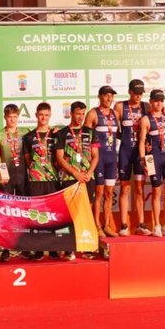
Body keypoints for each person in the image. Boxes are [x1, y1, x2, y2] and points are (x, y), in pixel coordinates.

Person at [56, 101, 99, 260]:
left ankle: (87, 247)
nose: (80, 117)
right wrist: (75, 173)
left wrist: (88, 173)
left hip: (88, 178)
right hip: (69, 178)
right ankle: (69, 248)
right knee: (70, 213)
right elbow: (60, 158)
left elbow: (95, 156)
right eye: (77, 114)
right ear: (71, 114)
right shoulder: (61, 134)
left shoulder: (91, 132)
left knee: (86, 211)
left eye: (82, 114)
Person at [23, 102, 60, 260]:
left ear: (50, 116)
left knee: (52, 213)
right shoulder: (29, 137)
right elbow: (27, 159)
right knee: (37, 214)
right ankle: (38, 249)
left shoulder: (56, 135)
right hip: (35, 179)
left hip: (52, 178)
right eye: (41, 115)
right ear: (36, 115)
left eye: (46, 115)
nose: (43, 118)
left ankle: (53, 248)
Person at [114, 79, 151, 236]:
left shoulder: (147, 106)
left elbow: (156, 124)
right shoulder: (120, 106)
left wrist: (149, 144)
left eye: (141, 93)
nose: (138, 96)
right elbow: (113, 129)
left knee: (140, 189)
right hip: (126, 151)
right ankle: (123, 225)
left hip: (141, 152)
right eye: (135, 92)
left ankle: (141, 223)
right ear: (129, 91)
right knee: (125, 187)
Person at [0, 103, 27, 261]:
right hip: (7, 177)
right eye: (9, 117)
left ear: (18, 117)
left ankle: (24, 246)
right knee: (6, 213)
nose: (12, 119)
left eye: (15, 116)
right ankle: (5, 248)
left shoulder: (25, 133)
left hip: (22, 176)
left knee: (23, 212)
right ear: (5, 117)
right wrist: (1, 172)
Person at [140, 89, 165, 237]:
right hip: (152, 158)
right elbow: (142, 142)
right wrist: (143, 159)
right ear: (151, 102)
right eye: (156, 100)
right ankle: (157, 225)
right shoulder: (145, 119)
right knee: (156, 192)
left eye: (161, 100)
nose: (159, 103)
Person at [84, 86, 120, 238]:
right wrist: (95, 149)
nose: (109, 99)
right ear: (99, 97)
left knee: (109, 193)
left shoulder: (115, 113)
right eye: (106, 96)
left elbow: (118, 135)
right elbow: (85, 138)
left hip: (112, 158)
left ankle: (107, 225)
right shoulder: (93, 113)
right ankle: (96, 225)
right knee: (98, 193)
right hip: (99, 158)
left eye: (111, 96)